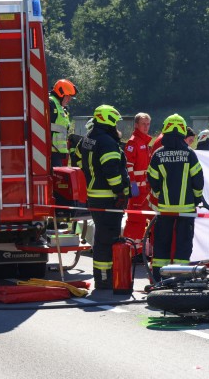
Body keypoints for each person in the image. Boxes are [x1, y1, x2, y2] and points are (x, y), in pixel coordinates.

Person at [147, 114, 204, 282]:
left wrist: (160, 193)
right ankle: (182, 280)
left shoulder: (158, 154)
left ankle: (159, 279)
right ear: (182, 131)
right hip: (186, 209)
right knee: (183, 245)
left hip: (164, 208)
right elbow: (198, 181)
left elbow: (152, 179)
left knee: (162, 244)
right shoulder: (189, 154)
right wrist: (197, 199)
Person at [79, 104, 131, 289]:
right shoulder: (107, 142)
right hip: (108, 196)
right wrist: (119, 191)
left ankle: (102, 277)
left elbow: (78, 157)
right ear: (108, 120)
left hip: (94, 194)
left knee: (102, 237)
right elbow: (111, 171)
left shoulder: (88, 138)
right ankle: (105, 279)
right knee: (107, 239)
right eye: (115, 122)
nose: (118, 126)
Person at [123, 113, 153, 246]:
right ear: (136, 125)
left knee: (144, 219)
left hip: (144, 188)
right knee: (136, 219)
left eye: (148, 124)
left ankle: (139, 248)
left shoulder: (144, 141)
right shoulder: (133, 142)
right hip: (137, 189)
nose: (146, 127)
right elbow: (128, 165)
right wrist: (132, 184)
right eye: (143, 124)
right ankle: (130, 248)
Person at [49, 79, 77, 167]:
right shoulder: (50, 103)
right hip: (51, 153)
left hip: (57, 152)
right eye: (68, 96)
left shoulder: (59, 106)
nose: (70, 99)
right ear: (61, 93)